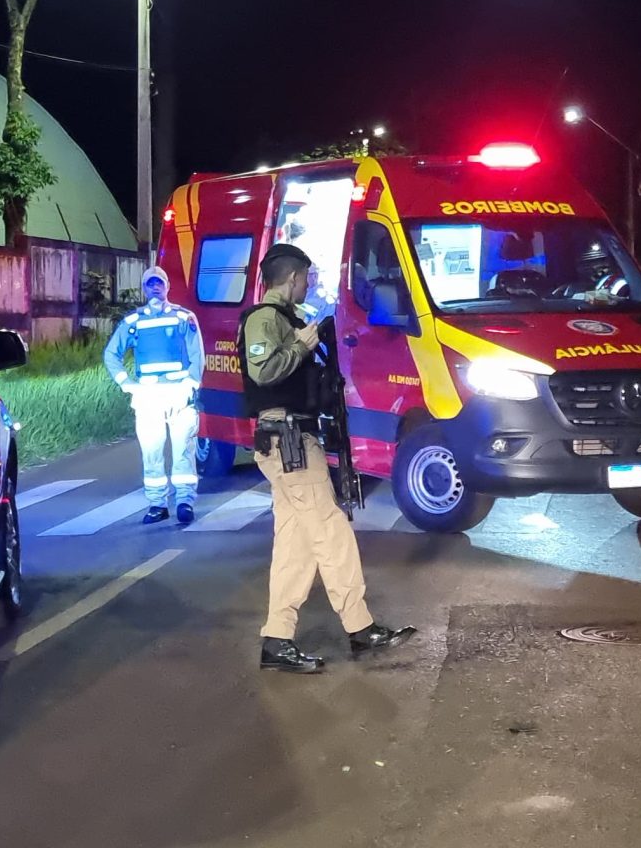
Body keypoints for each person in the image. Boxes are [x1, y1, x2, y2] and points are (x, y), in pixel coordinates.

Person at [239, 242, 415, 673]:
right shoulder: (265, 319)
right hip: (288, 441)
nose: (310, 283)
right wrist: (301, 344)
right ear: (292, 277)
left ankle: (277, 639)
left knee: (296, 545)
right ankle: (360, 627)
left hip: (295, 437)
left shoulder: (288, 318)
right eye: (307, 277)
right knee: (330, 529)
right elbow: (262, 371)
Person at [102, 267, 204, 525]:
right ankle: (157, 503)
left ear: (167, 286)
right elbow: (111, 354)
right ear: (144, 288)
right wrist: (128, 385)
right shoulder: (133, 322)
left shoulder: (184, 317)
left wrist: (189, 387)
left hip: (179, 395)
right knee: (151, 453)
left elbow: (197, 355)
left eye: (159, 283)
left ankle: (184, 502)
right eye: (150, 284)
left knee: (183, 451)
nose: (155, 288)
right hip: (148, 397)